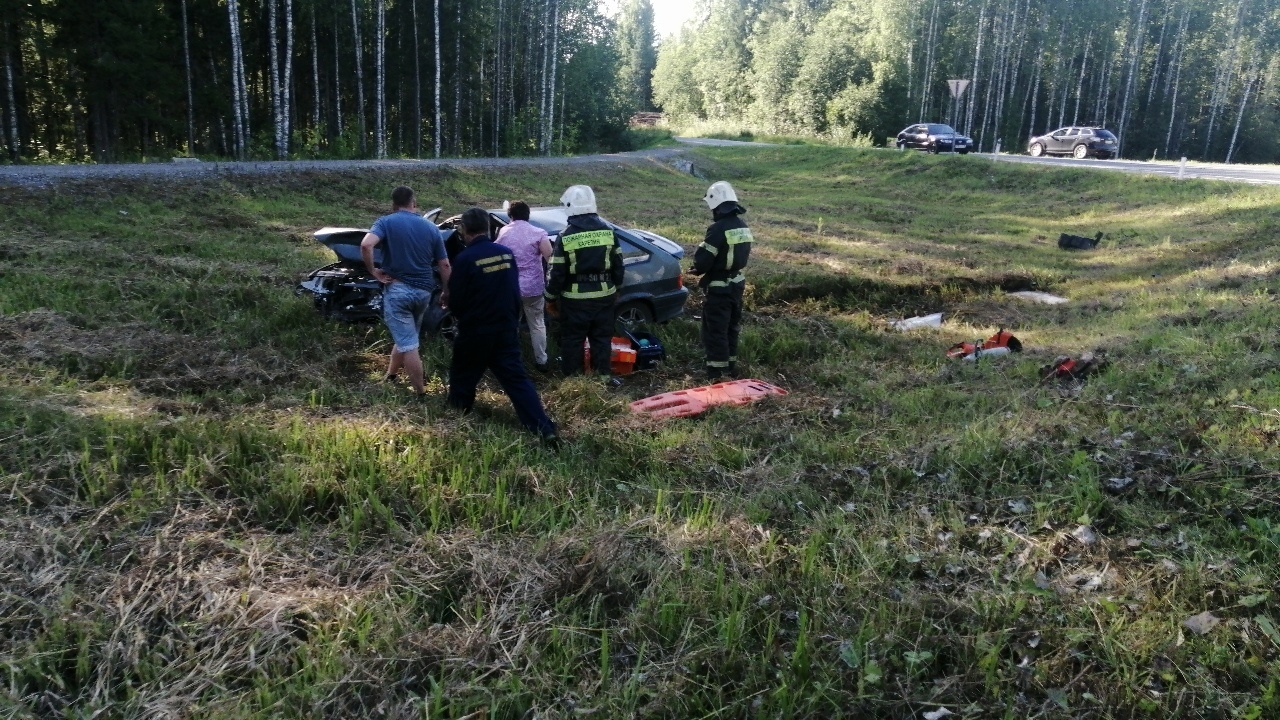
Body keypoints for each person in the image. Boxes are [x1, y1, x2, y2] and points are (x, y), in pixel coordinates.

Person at [447, 207, 559, 445]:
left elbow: (456, 301)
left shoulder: (465, 259)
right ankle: (544, 428)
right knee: (517, 381)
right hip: (506, 329)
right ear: (488, 229)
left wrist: (462, 319)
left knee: (463, 375)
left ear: (464, 230)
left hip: (476, 331)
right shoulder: (506, 254)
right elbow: (512, 291)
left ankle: (457, 418)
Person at [361, 185, 451, 396]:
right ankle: (391, 375)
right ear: (414, 202)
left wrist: (373, 271)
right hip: (423, 293)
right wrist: (447, 292)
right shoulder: (431, 228)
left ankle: (420, 393)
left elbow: (366, 245)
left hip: (398, 291)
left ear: (393, 205)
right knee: (406, 336)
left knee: (409, 344)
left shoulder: (385, 222)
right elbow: (445, 265)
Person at [544, 185, 625, 382]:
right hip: (604, 297)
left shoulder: (566, 236)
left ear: (570, 207)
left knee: (573, 341)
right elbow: (619, 266)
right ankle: (603, 379)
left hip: (575, 300)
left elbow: (556, 272)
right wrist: (617, 289)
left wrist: (550, 299)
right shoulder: (608, 231)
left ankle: (575, 382)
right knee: (602, 340)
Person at [689, 181, 752, 380]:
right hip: (737, 284)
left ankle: (716, 373)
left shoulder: (717, 229)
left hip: (719, 288)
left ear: (716, 205)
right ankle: (730, 368)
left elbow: (704, 259)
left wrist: (697, 269)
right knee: (732, 328)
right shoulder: (742, 226)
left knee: (715, 330)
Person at [495, 200, 554, 372]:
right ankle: (541, 361)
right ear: (528, 215)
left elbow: (497, 255)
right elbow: (550, 258)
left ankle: (512, 359)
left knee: (512, 324)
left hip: (511, 287)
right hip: (534, 288)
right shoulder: (538, 233)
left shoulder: (503, 232)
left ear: (510, 216)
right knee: (537, 324)